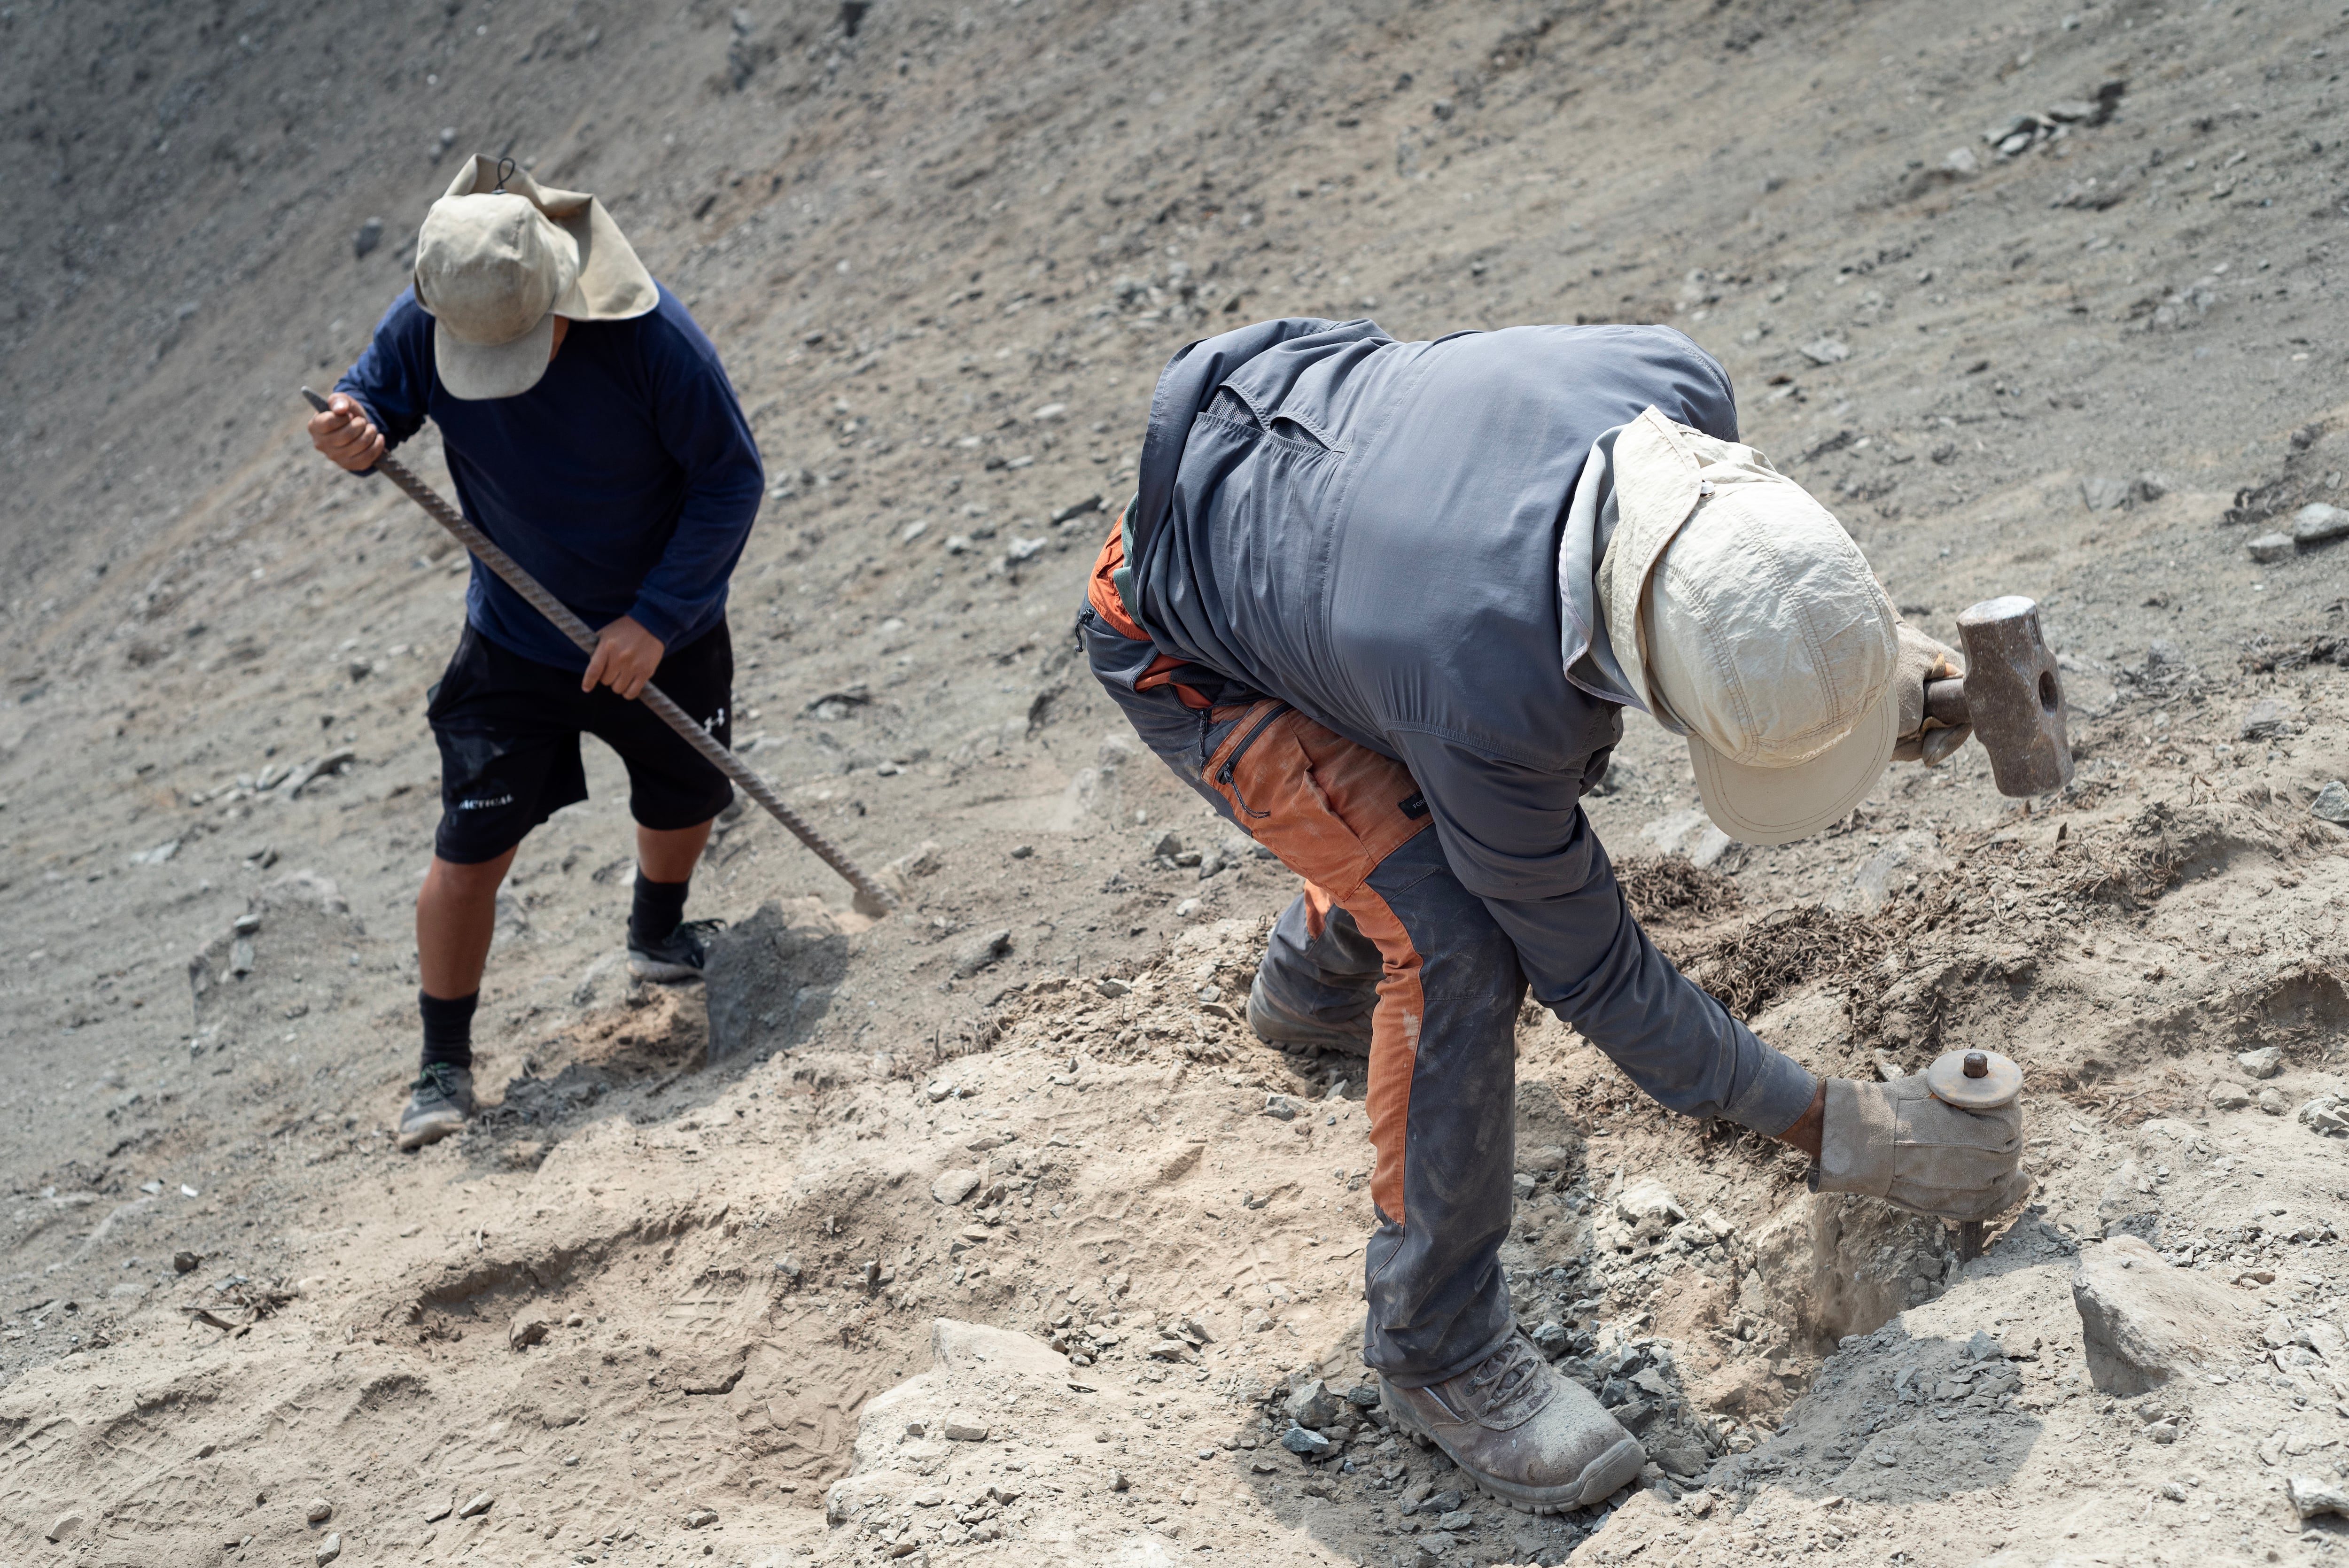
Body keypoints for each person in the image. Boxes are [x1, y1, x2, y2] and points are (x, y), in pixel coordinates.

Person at [1080, 317, 2025, 1514]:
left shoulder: (1673, 386)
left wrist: (1857, 678)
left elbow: (1735, 562)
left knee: (1445, 824)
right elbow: (1600, 977)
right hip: (1183, 635)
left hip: (1317, 535)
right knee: (1458, 938)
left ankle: (1313, 981)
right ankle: (1437, 1351)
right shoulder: (1485, 697)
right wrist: (1849, 1129)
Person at [308, 156, 763, 1152]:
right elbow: (375, 400)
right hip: (515, 633)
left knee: (686, 795)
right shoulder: (436, 311)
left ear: (561, 290)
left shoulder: (652, 340)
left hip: (659, 632)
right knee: (469, 849)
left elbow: (730, 480)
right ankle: (442, 1062)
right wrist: (357, 430)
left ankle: (656, 933)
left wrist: (655, 618)